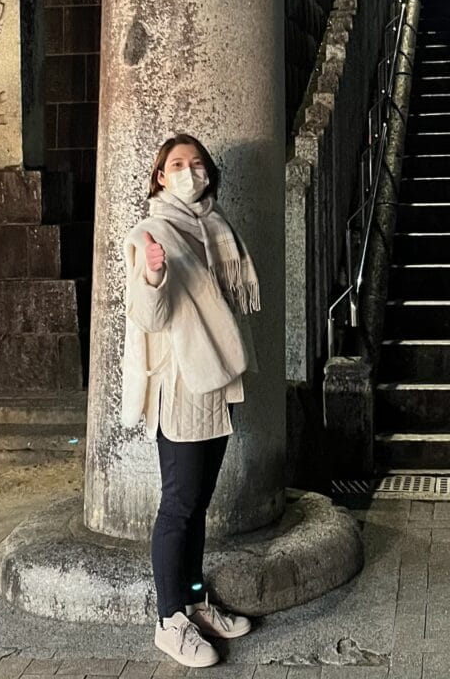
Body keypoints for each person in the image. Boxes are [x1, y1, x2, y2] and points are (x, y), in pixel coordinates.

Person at [123, 134, 260, 668]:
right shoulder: (152, 231)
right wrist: (154, 273)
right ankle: (168, 619)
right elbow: (148, 314)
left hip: (218, 383)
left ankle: (196, 596)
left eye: (196, 163)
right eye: (176, 164)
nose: (188, 172)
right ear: (159, 176)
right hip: (180, 387)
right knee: (178, 506)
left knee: (198, 505)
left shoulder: (216, 226)